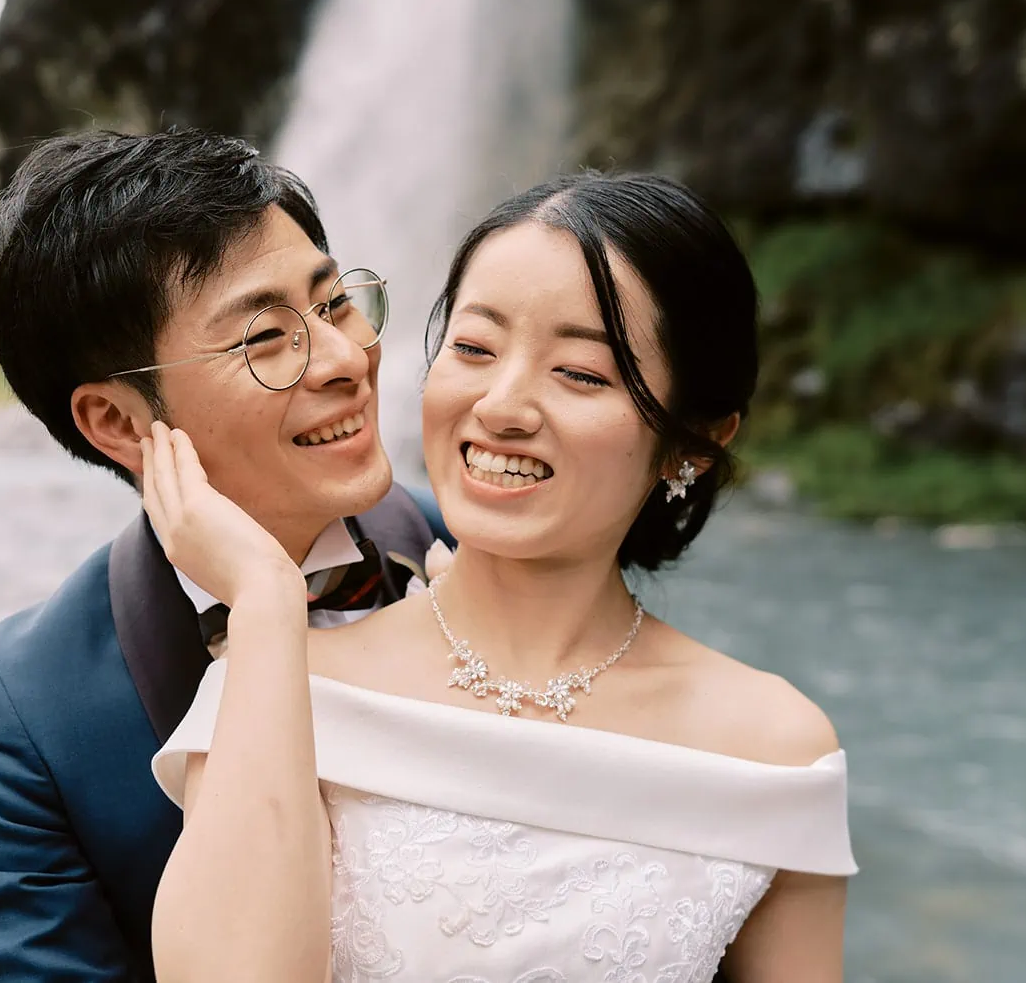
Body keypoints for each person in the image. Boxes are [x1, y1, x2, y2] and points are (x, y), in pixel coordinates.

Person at [147, 172, 857, 982]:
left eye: (581, 373)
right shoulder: (280, 684)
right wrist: (266, 601)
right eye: (475, 349)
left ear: (692, 441)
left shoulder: (778, 748)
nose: (502, 406)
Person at [0, 128, 453, 981]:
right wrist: (264, 599)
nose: (346, 360)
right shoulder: (31, 703)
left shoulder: (476, 549)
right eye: (264, 337)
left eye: (334, 303)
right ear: (117, 421)